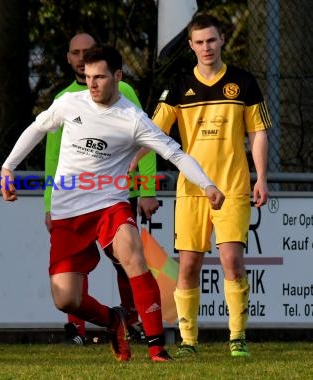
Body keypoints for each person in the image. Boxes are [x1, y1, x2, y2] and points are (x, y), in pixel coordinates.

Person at [0, 44, 225, 362]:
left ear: (117, 76)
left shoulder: (133, 119)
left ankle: (157, 348)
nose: (91, 84)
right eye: (88, 76)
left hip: (110, 203)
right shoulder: (69, 103)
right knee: (66, 299)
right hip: (68, 210)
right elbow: (37, 128)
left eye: (100, 77)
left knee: (133, 254)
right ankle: (112, 320)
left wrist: (207, 184)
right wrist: (8, 166)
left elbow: (174, 152)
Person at [151, 14, 271, 358]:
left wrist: (260, 176)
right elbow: (153, 131)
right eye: (199, 42)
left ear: (222, 41)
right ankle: (188, 341)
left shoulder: (243, 83)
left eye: (212, 40)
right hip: (192, 191)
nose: (206, 47)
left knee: (232, 259)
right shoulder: (177, 86)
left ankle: (238, 337)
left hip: (232, 186)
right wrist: (131, 159)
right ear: (190, 45)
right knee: (188, 265)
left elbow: (258, 132)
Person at [44, 33, 158, 344]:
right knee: (72, 269)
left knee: (125, 260)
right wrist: (48, 202)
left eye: (87, 52)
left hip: (113, 194)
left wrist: (146, 188)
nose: (81, 59)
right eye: (75, 53)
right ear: (68, 59)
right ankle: (79, 331)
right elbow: (54, 158)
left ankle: (134, 321)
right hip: (72, 200)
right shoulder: (66, 99)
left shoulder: (124, 92)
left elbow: (144, 141)